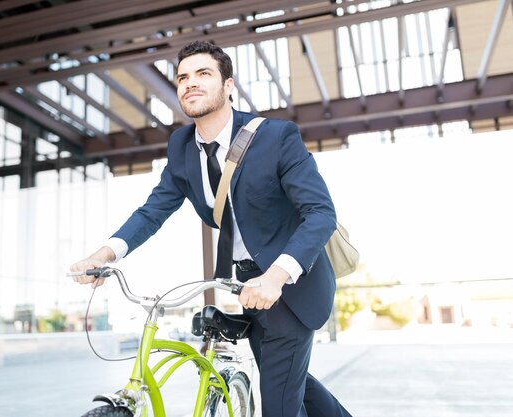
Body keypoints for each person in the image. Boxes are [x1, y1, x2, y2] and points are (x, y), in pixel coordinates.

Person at [70, 40, 351, 417]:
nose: (190, 83)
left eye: (203, 74)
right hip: (246, 287)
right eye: (183, 77)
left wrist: (276, 277)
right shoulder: (182, 146)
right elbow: (153, 210)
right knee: (289, 383)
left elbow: (320, 213)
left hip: (290, 286)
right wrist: (103, 255)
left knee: (280, 403)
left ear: (228, 86)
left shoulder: (276, 137)